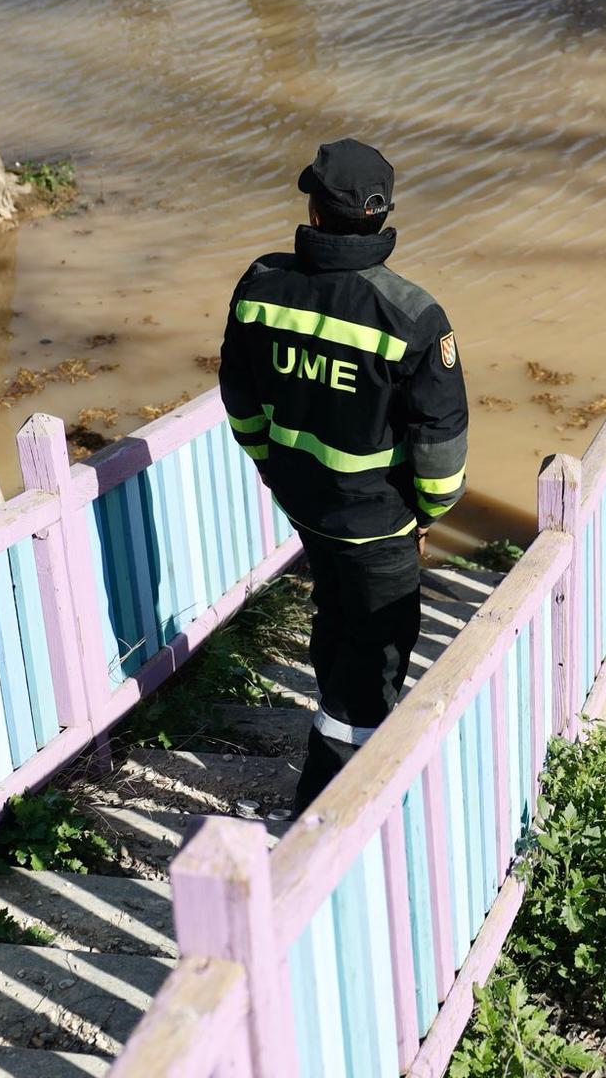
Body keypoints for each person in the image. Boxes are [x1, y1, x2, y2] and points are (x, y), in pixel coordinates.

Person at [218, 138, 470, 816]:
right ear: (381, 218)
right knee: (375, 663)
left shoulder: (260, 286)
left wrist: (272, 467)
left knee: (337, 623)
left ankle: (339, 751)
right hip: (380, 527)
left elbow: (239, 396)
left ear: (315, 208)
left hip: (307, 510)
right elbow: (440, 447)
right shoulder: (412, 315)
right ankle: (330, 806)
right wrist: (427, 516)